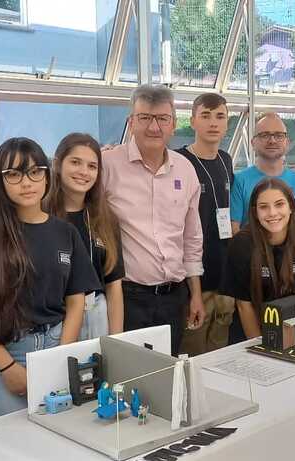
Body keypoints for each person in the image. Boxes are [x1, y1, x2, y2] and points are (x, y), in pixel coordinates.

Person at [0, 137, 100, 420]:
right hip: (2, 353)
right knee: (9, 447)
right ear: (0, 180)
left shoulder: (65, 232)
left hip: (56, 346)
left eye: (35, 171)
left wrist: (60, 356)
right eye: (14, 174)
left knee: (56, 443)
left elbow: (76, 300)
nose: (27, 182)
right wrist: (6, 367)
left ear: (46, 176)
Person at [100, 85, 205, 355]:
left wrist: (195, 293)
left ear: (173, 124)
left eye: (162, 118)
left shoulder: (185, 168)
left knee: (167, 374)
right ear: (131, 122)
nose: (153, 127)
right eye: (145, 118)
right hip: (127, 297)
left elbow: (191, 238)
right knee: (128, 376)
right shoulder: (107, 164)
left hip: (174, 296)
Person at [221, 178, 295, 344]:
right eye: (264, 207)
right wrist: (260, 345)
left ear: (291, 206)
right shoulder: (241, 244)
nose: (272, 213)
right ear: (255, 212)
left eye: (279, 204)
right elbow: (244, 305)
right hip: (251, 331)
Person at [44, 133, 125, 340]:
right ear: (57, 164)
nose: (83, 172)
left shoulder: (105, 219)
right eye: (75, 162)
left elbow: (114, 285)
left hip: (97, 314)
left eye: (92, 166)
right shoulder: (40, 215)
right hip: (54, 319)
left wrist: (116, 340)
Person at [175, 93, 237, 355]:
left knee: (220, 352)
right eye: (206, 116)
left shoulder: (226, 159)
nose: (213, 123)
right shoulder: (178, 161)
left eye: (220, 116)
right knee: (192, 353)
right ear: (192, 121)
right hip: (192, 279)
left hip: (223, 275)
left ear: (227, 123)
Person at [229, 112, 295, 232]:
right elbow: (234, 229)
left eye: (279, 135)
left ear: (287, 142)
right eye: (264, 135)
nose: (272, 140)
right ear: (253, 143)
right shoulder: (239, 181)